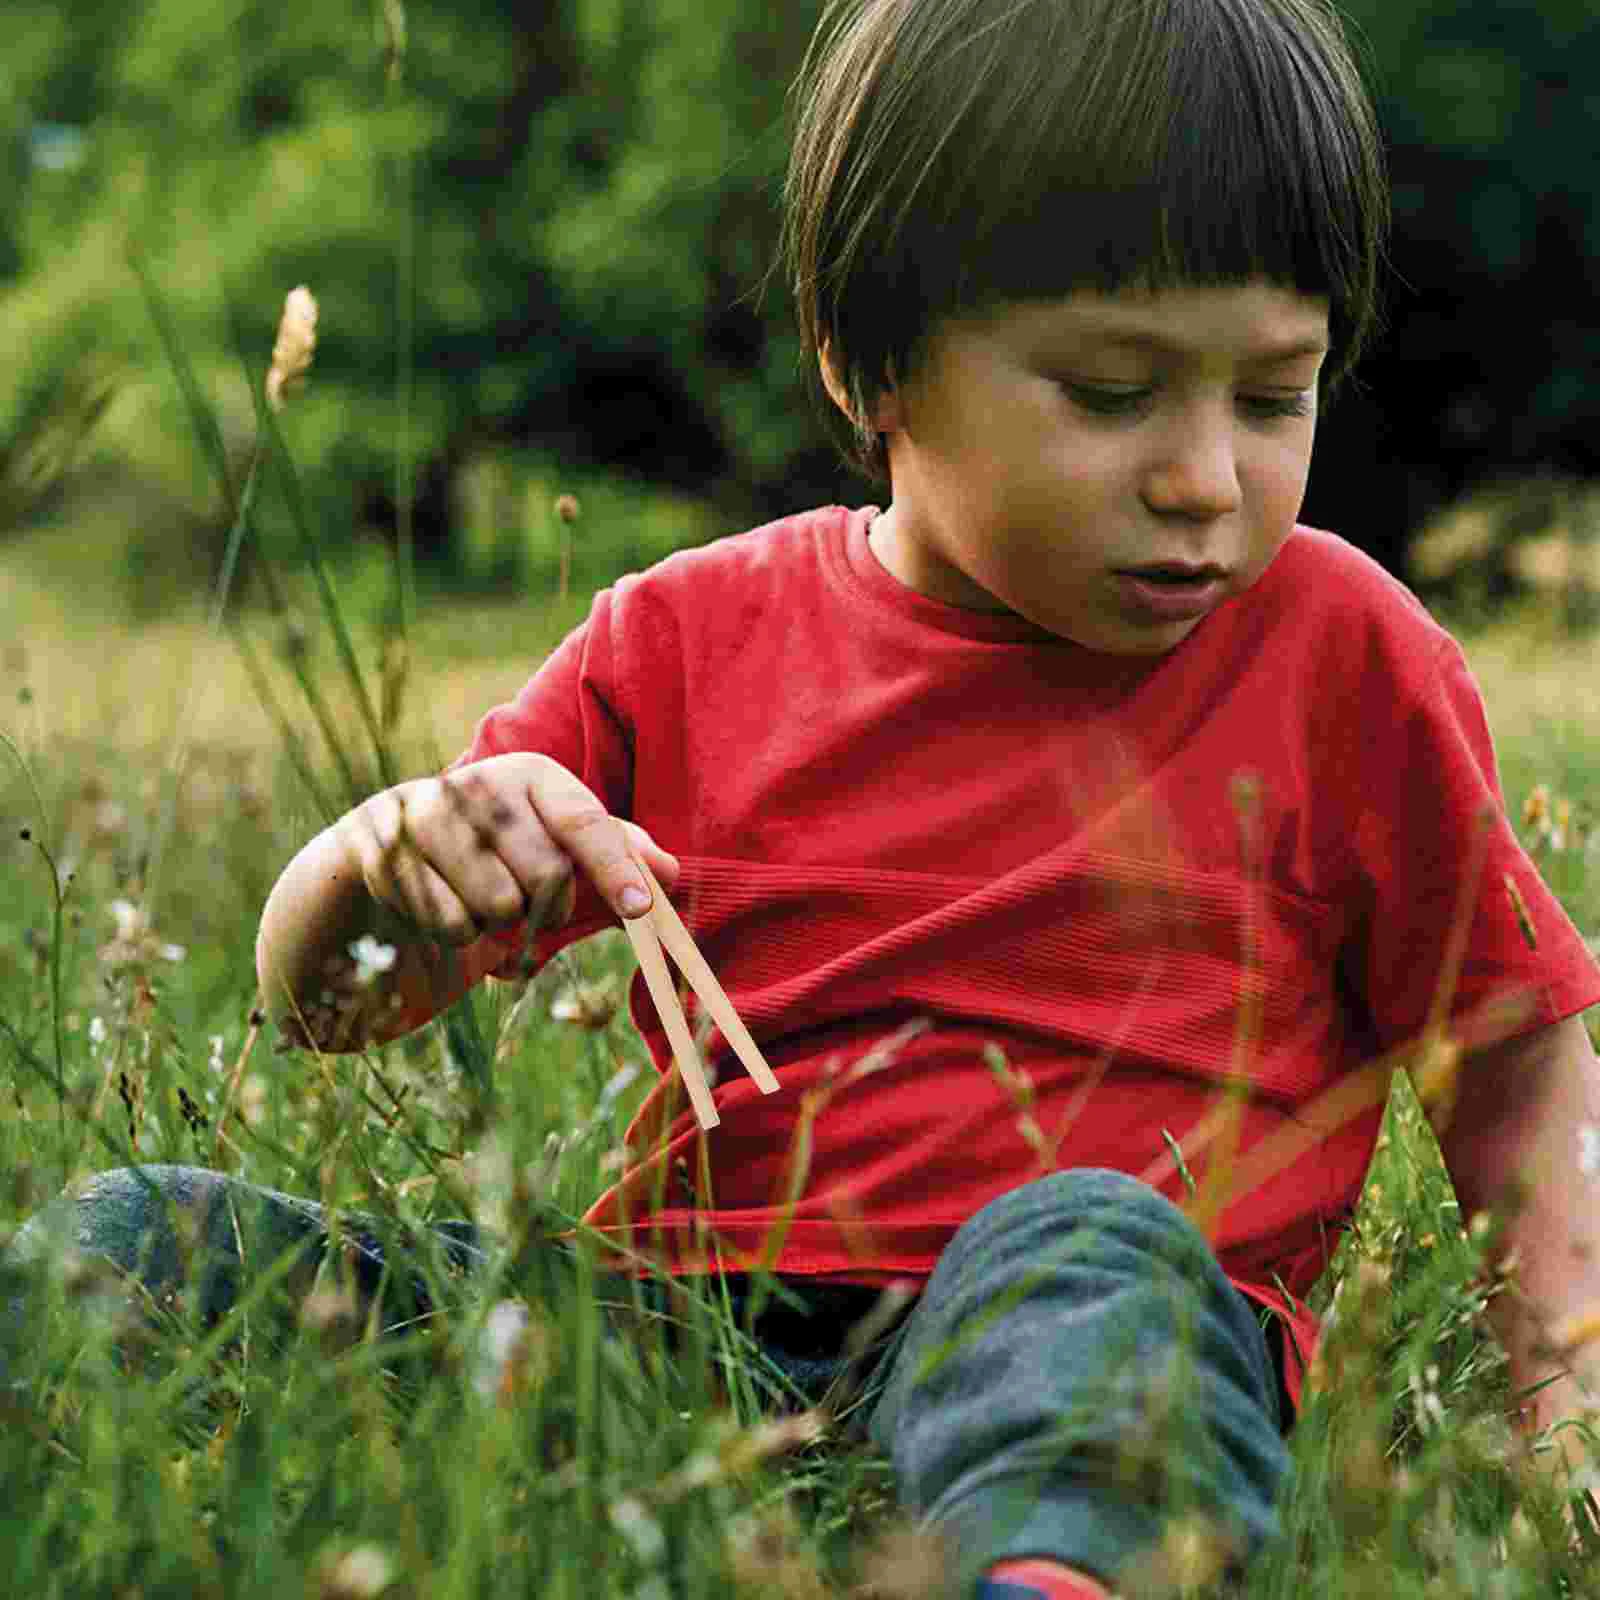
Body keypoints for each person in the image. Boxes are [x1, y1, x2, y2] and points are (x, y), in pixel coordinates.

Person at [36, 1, 1600, 1595]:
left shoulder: (1341, 655)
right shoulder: (687, 637)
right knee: (135, 1230)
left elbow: (1518, 1065)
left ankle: (1052, 1566)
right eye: (1115, 393)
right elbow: (325, 1008)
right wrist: (387, 867)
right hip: (677, 1322)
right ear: (873, 368)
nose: (1207, 476)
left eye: (1274, 398)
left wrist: (1564, 1419)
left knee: (1086, 1244)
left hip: (1091, 1303)